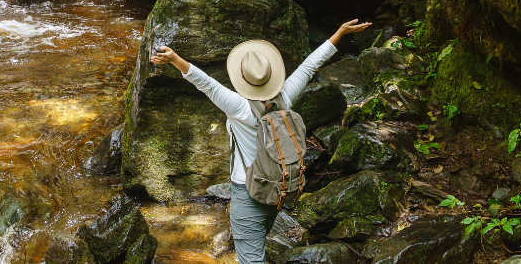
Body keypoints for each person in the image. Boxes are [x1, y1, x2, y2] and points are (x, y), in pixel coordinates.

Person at [149, 19, 371, 264]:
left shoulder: (239, 107)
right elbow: (310, 66)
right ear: (271, 75)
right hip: (279, 189)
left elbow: (205, 83)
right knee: (256, 249)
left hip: (248, 194)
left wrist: (174, 59)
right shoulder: (285, 96)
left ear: (242, 78)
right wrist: (339, 33)